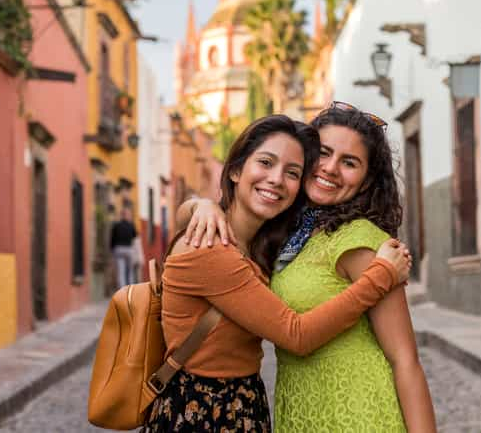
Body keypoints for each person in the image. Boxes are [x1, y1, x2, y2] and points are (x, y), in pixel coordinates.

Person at [143, 114, 412, 432]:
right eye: (266, 163)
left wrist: (199, 205)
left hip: (238, 404)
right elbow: (297, 335)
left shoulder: (257, 242)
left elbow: (183, 216)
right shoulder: (211, 248)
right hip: (203, 412)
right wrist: (380, 275)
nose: (275, 179)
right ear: (234, 171)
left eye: (292, 172)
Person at [109, 206, 137, 288]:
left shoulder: (116, 225)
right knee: (129, 271)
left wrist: (112, 249)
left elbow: (112, 238)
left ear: (121, 215)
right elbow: (135, 236)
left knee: (121, 271)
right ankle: (130, 290)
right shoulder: (131, 225)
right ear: (128, 215)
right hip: (129, 249)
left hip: (118, 249)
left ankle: (122, 290)